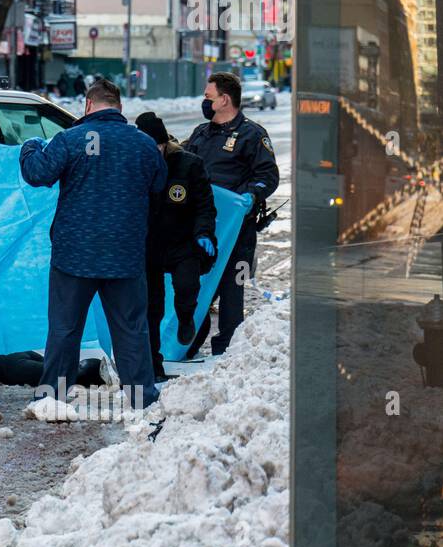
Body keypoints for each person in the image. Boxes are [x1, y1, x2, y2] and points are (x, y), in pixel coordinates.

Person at [19, 78, 166, 409]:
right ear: (119, 107)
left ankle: (52, 397)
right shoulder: (143, 144)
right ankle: (142, 397)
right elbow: (159, 183)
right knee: (130, 330)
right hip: (124, 256)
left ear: (88, 105)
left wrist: (29, 147)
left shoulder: (71, 139)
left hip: (75, 256)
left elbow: (37, 173)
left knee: (65, 329)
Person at [184, 72, 280, 357]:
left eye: (208, 97)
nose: (204, 101)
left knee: (231, 291)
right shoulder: (202, 133)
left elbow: (268, 175)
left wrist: (251, 195)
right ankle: (188, 342)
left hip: (236, 231)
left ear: (224, 100)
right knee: (194, 287)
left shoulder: (253, 134)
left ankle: (226, 350)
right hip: (201, 227)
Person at [134, 111, 217, 381]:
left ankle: (185, 317)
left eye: (157, 147)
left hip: (183, 242)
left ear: (164, 144)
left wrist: (203, 232)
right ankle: (154, 363)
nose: (153, 153)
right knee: (151, 308)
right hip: (150, 245)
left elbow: (205, 204)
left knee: (186, 287)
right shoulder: (135, 165)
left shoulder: (189, 165)